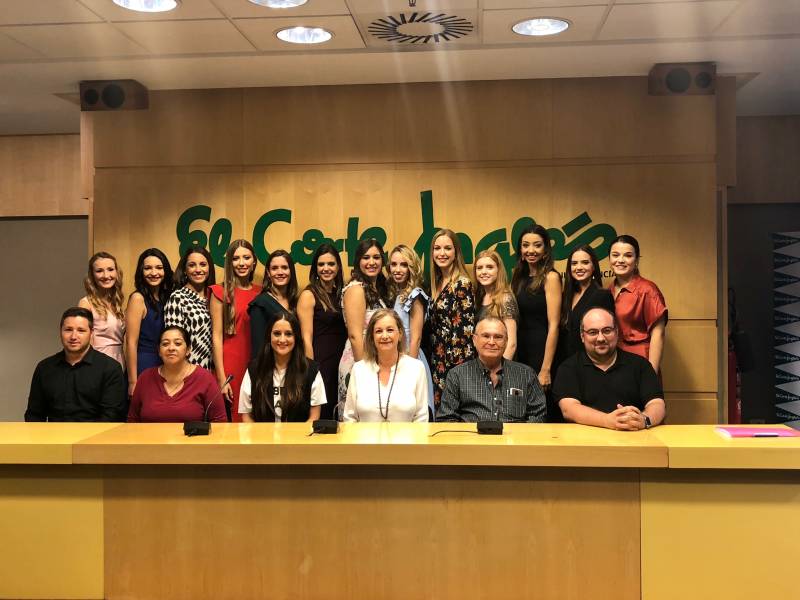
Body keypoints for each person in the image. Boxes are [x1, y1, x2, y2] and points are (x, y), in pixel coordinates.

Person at [554, 307, 666, 430]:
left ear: (617, 332)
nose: (601, 338)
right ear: (582, 336)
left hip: (632, 440)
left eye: (607, 331)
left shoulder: (640, 365)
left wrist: (644, 420)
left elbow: (657, 404)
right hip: (585, 443)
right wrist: (607, 421)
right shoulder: (568, 368)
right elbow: (569, 409)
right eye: (593, 332)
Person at [25, 307, 126, 422]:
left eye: (81, 330)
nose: (73, 336)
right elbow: (34, 415)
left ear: (91, 333)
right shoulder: (44, 368)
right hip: (54, 438)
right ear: (60, 331)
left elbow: (112, 417)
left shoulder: (110, 368)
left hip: (96, 438)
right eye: (68, 330)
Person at [437, 316, 546, 423]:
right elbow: (446, 419)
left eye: (498, 337)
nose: (491, 342)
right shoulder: (457, 375)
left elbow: (538, 415)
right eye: (486, 336)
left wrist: (518, 437)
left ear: (506, 342)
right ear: (474, 340)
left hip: (514, 439)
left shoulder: (526, 374)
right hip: (472, 439)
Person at [343, 309, 428, 422]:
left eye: (390, 330)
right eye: (378, 331)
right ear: (372, 337)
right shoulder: (358, 369)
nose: (384, 336)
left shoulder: (416, 368)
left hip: (407, 440)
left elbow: (421, 418)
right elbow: (350, 418)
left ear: (400, 334)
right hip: (365, 439)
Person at [128, 326, 226, 423]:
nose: (171, 348)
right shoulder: (145, 378)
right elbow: (132, 420)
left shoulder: (205, 379)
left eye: (178, 343)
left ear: (188, 350)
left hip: (192, 439)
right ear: (159, 351)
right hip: (149, 438)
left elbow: (219, 422)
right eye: (165, 344)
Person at [239, 312, 326, 422]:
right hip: (262, 438)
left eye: (288, 334)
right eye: (277, 333)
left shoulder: (311, 370)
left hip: (298, 438)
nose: (282, 340)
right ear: (269, 336)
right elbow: (246, 415)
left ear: (296, 337)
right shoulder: (254, 369)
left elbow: (314, 416)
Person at [210, 239, 261, 421]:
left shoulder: (261, 292)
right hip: (230, 363)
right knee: (233, 418)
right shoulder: (219, 292)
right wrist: (221, 376)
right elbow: (216, 336)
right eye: (236, 258)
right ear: (229, 262)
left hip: (255, 362)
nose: (241, 263)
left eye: (246, 258)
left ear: (254, 261)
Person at [337, 238, 388, 418]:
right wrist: (363, 371)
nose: (372, 262)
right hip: (359, 360)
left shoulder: (377, 288)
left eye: (376, 257)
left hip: (377, 360)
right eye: (366, 257)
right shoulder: (356, 288)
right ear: (358, 260)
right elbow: (355, 335)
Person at [296, 243, 347, 421]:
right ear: (315, 268)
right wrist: (312, 371)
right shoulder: (308, 295)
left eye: (331, 264)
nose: (326, 268)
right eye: (321, 264)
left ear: (338, 266)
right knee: (323, 416)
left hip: (342, 363)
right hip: (321, 365)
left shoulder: (343, 293)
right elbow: (306, 338)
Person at [428, 228, 476, 408]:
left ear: (456, 253)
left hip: (455, 362)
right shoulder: (436, 283)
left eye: (447, 248)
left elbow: (464, 334)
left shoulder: (462, 283)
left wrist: (454, 372)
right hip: (437, 358)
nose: (442, 253)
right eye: (437, 248)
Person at [511, 225, 562, 390]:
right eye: (526, 245)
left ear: (546, 250)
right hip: (521, 351)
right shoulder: (518, 277)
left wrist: (546, 369)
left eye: (537, 245)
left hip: (541, 354)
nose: (531, 250)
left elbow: (554, 325)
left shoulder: (551, 277)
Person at [608, 235, 668, 373]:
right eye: (615, 255)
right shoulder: (608, 290)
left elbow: (658, 334)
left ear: (636, 260)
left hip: (640, 361)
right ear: (609, 259)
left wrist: (651, 373)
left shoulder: (648, 290)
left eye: (628, 255)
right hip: (613, 361)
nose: (620, 260)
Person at [389, 244, 435, 417]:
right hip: (396, 358)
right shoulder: (398, 293)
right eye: (394, 264)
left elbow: (415, 338)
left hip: (411, 357)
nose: (398, 269)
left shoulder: (416, 295)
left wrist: (408, 370)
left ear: (412, 267)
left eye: (403, 265)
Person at [125, 248, 174, 397]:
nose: (154, 273)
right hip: (143, 364)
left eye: (159, 268)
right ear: (141, 272)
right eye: (147, 268)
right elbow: (130, 342)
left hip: (164, 363)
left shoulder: (167, 298)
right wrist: (133, 381)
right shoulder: (138, 299)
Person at [164, 246, 216, 370]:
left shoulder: (213, 296)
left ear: (209, 268)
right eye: (192, 265)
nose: (198, 269)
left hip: (211, 370)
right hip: (188, 371)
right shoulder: (177, 298)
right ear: (185, 270)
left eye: (203, 264)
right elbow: (173, 344)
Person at [559, 245, 615, 361]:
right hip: (564, 362)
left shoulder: (602, 295)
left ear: (593, 266)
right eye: (574, 264)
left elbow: (608, 335)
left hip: (589, 363)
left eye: (585, 262)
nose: (579, 267)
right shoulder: (565, 296)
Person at [78, 251, 126, 371]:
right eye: (99, 271)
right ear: (92, 275)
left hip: (119, 362)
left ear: (117, 272)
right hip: (98, 366)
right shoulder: (86, 304)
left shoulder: (117, 302)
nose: (106, 275)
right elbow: (82, 342)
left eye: (110, 269)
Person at [249, 249, 298, 360]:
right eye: (274, 268)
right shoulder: (260, 304)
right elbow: (258, 350)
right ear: (268, 273)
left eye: (284, 267)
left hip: (295, 367)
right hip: (270, 370)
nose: (280, 272)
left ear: (291, 271)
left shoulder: (296, 302)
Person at [474, 249, 518, 360]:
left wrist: (500, 372)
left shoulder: (505, 298)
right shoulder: (479, 297)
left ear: (498, 270)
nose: (484, 272)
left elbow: (511, 343)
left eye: (489, 267)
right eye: (479, 268)